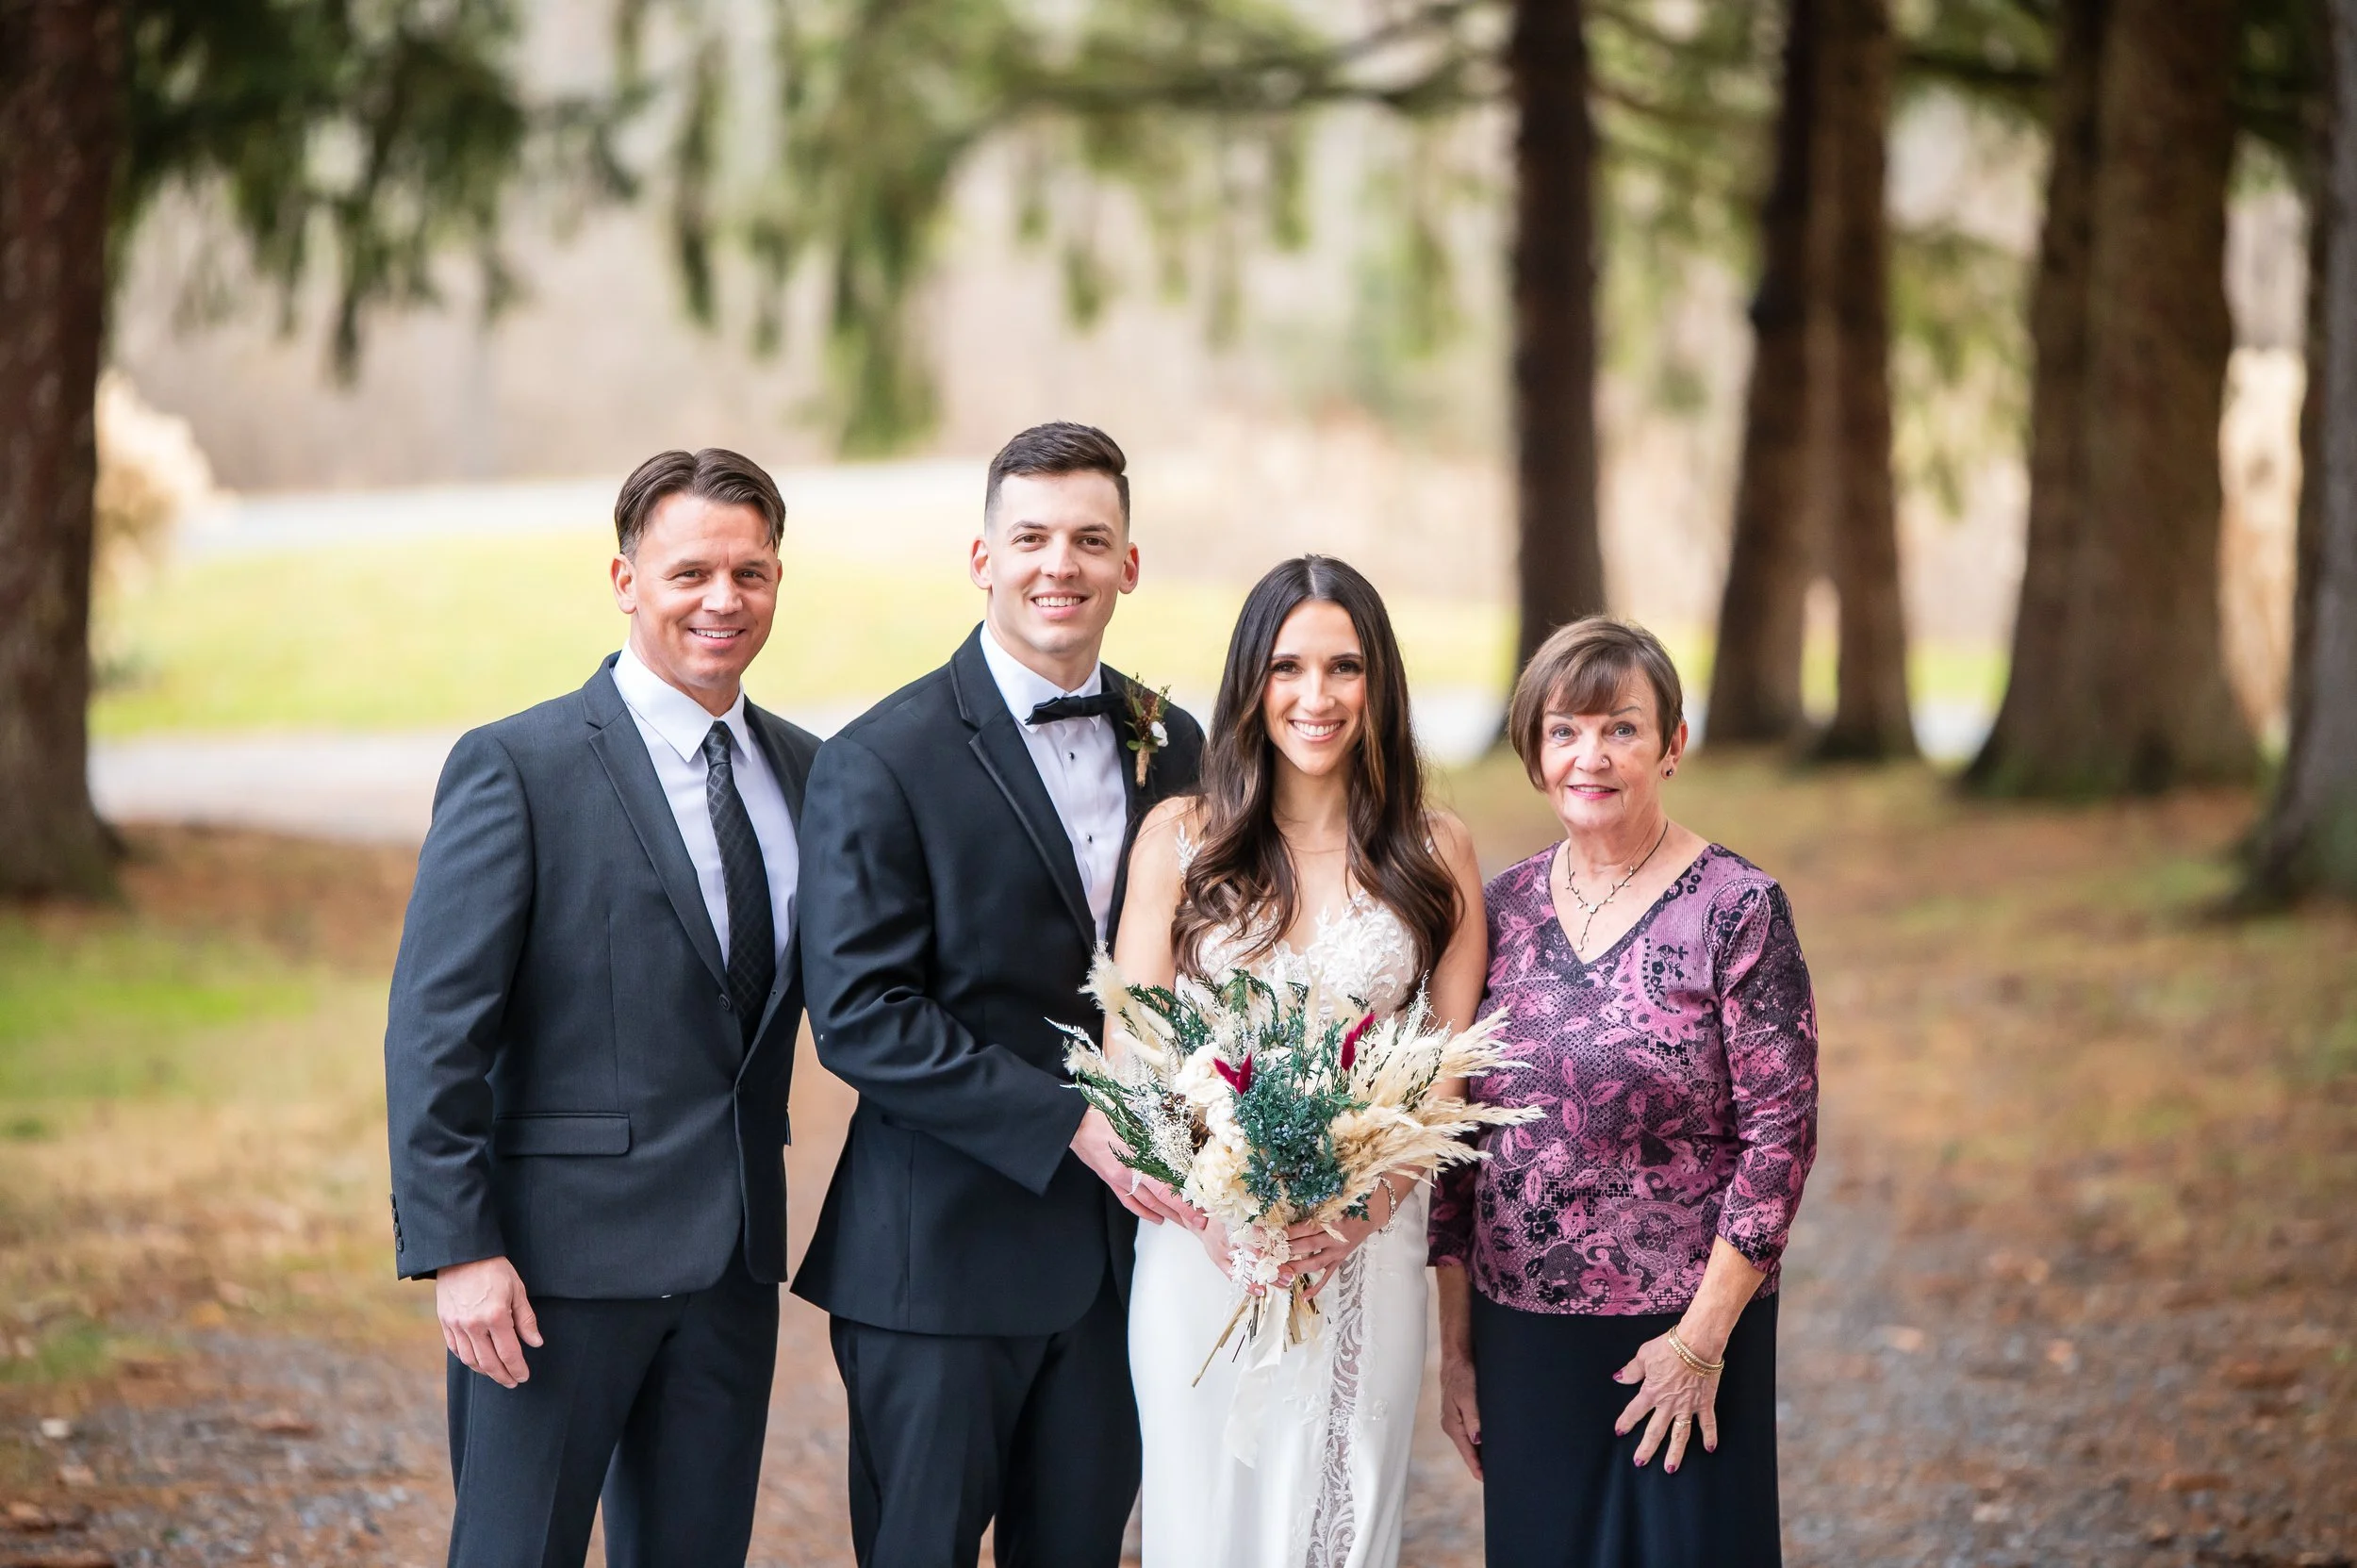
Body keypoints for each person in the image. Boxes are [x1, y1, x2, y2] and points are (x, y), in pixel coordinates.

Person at [383, 448, 819, 1567]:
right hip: (548, 1273)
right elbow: (436, 1029)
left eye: (750, 572)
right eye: (689, 573)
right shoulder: (518, 768)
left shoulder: (811, 775)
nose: (722, 599)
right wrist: (458, 1248)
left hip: (729, 1271)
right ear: (626, 581)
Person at [791, 421, 1208, 1568]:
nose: (1056, 565)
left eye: (1088, 538)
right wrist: (1073, 1122)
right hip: (939, 1259)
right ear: (983, 559)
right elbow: (863, 1014)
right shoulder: (880, 758)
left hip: (1123, 1264)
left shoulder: (1178, 747)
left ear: (1129, 563)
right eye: (1029, 537)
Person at [1113, 554, 1489, 1568]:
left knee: (1343, 1522)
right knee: (1201, 1520)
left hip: (1366, 1251)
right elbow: (1133, 1056)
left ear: (1379, 684)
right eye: (1286, 668)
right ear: (1251, 683)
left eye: (1343, 668)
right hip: (1202, 1258)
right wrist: (1214, 1211)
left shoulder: (1434, 849)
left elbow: (1445, 1079)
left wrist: (1359, 1211)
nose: (1314, 697)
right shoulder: (1178, 842)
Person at [1426, 616, 1819, 1568]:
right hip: (1522, 1337)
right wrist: (1457, 1349)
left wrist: (1699, 1342)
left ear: (1672, 744)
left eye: (1621, 729)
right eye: (1563, 731)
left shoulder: (1735, 907)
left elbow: (1781, 1141)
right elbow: (1454, 1136)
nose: (1588, 756)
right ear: (1533, 752)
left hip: (1684, 1331)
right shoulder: (1502, 907)